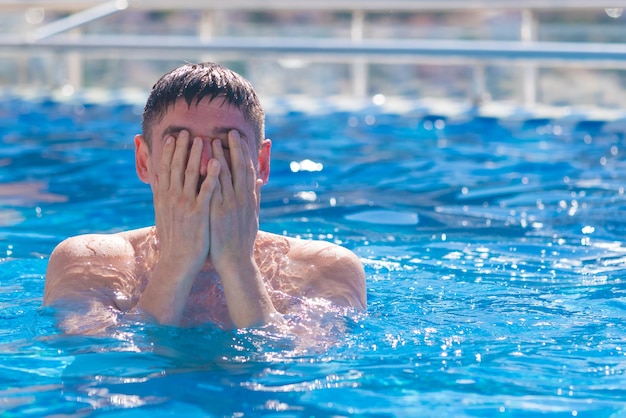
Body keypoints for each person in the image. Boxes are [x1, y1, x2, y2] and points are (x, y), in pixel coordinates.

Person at [43, 62, 366, 334]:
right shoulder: (89, 260)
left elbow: (302, 371)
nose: (204, 166)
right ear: (144, 161)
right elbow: (102, 363)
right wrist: (177, 260)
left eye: (226, 145)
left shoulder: (325, 267)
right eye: (180, 146)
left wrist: (238, 263)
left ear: (261, 164)